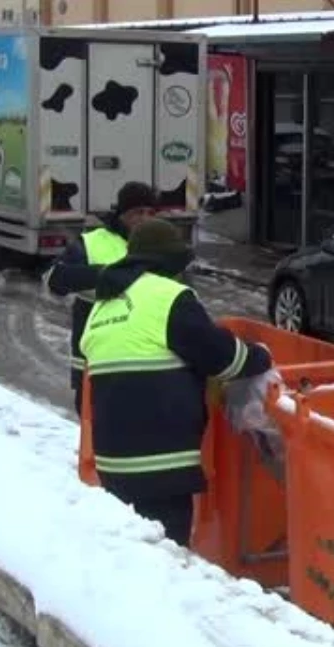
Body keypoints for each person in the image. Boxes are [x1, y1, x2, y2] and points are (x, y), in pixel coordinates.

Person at [79, 218, 272, 546]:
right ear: (168, 262)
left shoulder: (102, 306)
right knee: (165, 554)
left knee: (131, 550)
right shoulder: (168, 296)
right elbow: (222, 359)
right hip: (162, 465)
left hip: (113, 463)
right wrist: (262, 356)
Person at [42, 181, 158, 413]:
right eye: (138, 212)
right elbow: (53, 279)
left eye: (150, 213)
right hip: (97, 365)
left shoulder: (160, 247)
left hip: (147, 362)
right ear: (123, 214)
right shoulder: (93, 242)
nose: (145, 218)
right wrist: (105, 275)